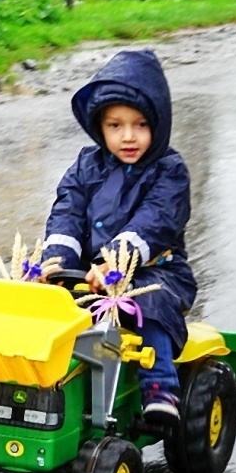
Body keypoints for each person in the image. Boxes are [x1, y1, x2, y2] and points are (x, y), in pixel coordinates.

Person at [41, 50, 198, 423]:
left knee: (147, 303)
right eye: (115, 126)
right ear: (100, 127)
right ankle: (47, 387)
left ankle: (160, 386)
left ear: (158, 125)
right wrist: (59, 261)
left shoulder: (169, 170)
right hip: (88, 275)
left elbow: (156, 219)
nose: (128, 137)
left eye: (140, 125)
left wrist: (116, 258)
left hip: (153, 270)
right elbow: (68, 210)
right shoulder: (86, 165)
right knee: (46, 303)